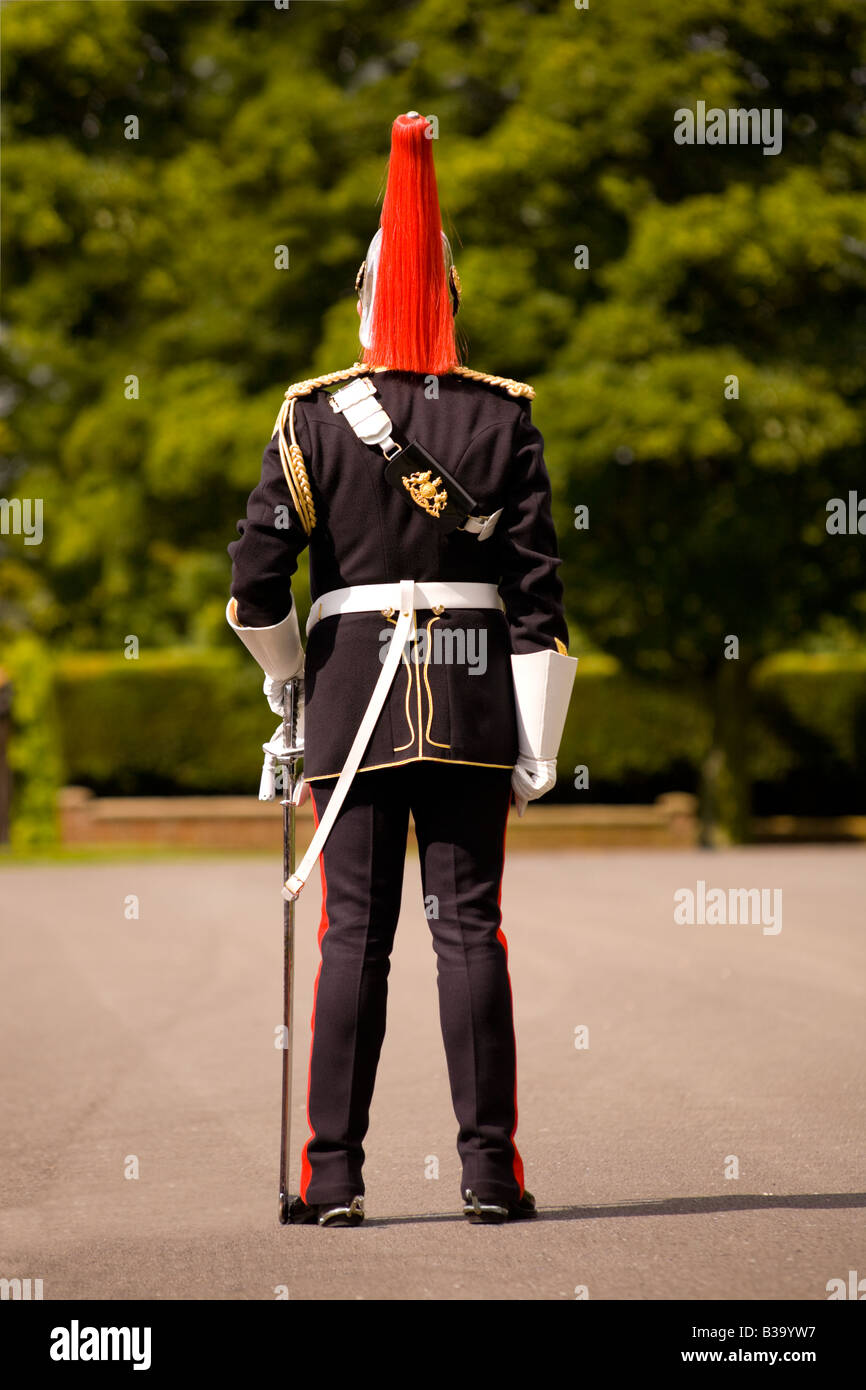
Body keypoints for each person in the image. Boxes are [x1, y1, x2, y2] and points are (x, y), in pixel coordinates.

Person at [226, 113, 576, 1227]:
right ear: (452, 300)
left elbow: (251, 588)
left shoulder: (312, 414)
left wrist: (287, 683)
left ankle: (331, 1178)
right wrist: (539, 742)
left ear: (365, 302)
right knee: (468, 930)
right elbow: (537, 596)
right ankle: (488, 1174)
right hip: (473, 704)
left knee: (352, 939)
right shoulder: (502, 416)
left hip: (349, 707)